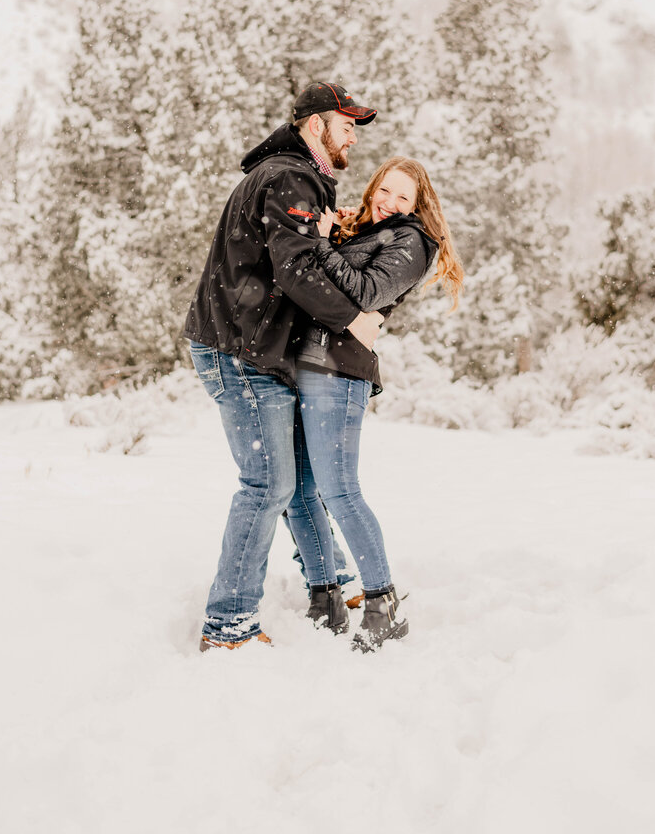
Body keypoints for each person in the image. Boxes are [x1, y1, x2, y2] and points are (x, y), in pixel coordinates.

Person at [184, 82, 383, 651]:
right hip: (241, 353)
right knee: (268, 484)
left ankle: (331, 580)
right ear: (316, 124)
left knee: (298, 480)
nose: (353, 136)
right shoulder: (290, 178)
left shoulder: (291, 180)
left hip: (258, 352)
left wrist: (328, 230)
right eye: (346, 125)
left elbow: (291, 257)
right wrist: (355, 318)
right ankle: (228, 626)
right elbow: (296, 272)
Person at [286, 157, 464, 651]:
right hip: (303, 364)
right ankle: (325, 596)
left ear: (417, 206)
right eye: (385, 190)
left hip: (340, 370)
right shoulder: (360, 228)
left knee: (339, 490)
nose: (389, 202)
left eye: (403, 197)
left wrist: (323, 241)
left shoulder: (413, 242)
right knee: (298, 491)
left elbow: (365, 292)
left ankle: (383, 602)